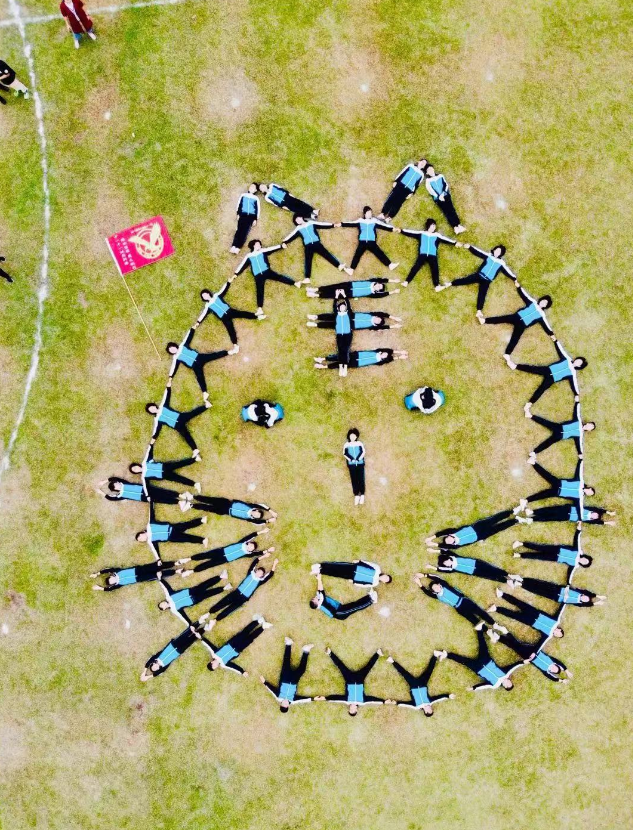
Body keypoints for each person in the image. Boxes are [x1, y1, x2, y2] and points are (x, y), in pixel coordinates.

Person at [505, 340, 586, 412]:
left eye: (579, 363)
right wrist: (556, 341)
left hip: (552, 379)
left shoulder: (572, 373)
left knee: (541, 389)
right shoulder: (567, 359)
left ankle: (529, 404)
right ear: (576, 359)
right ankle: (515, 366)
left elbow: (574, 384)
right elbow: (561, 350)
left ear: (579, 366)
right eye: (578, 360)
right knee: (533, 369)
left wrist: (576, 394)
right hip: (548, 370)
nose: (577, 362)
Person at [442, 244, 517, 312]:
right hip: (479, 275)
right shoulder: (489, 255)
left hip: (487, 281)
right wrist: (470, 247)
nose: (497, 252)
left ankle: (479, 310)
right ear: (494, 250)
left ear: (501, 254)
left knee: (482, 294)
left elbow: (508, 272)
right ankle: (449, 284)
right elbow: (478, 252)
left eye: (499, 252)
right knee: (466, 280)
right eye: (496, 250)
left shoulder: (501, 263)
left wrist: (514, 279)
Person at [234, 240, 303, 313]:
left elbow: (272, 249)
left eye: (260, 244)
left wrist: (281, 246)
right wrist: (236, 273)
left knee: (279, 277)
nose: (260, 246)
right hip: (258, 275)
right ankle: (260, 308)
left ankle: (295, 283)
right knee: (260, 290)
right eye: (258, 244)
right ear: (253, 245)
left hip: (267, 271)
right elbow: (242, 265)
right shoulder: (249, 256)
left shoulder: (263, 251)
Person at [477, 291, 554, 355]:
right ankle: (484, 321)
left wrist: (551, 334)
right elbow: (524, 295)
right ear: (541, 300)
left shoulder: (542, 315)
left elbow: (545, 325)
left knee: (515, 338)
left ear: (546, 306)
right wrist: (518, 287)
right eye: (543, 301)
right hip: (516, 317)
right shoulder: (532, 302)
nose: (543, 303)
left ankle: (507, 354)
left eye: (545, 303)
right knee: (502, 318)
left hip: (522, 325)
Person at [444, 628, 521, 690]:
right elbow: (514, 666)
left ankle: (447, 655)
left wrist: (474, 688)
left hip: (478, 668)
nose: (508, 681)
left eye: (508, 683)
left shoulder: (495, 685)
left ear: (505, 686)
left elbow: (484, 685)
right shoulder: (505, 674)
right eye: (509, 681)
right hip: (487, 661)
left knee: (463, 661)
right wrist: (523, 662)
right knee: (483, 646)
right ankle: (479, 630)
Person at [166, 329, 233, 400]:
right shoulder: (176, 358)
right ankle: (204, 392)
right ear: (171, 353)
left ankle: (228, 352)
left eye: (172, 348)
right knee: (200, 377)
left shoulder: (183, 345)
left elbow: (188, 337)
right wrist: (170, 378)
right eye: (171, 350)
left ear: (175, 346)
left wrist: (192, 329)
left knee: (213, 356)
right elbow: (174, 368)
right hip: (194, 366)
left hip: (199, 357)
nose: (173, 350)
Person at [146, 380, 211, 453]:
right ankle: (195, 450)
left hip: (180, 417)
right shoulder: (157, 419)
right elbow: (157, 430)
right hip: (176, 426)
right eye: (151, 410)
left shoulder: (163, 406)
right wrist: (152, 441)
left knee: (192, 413)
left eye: (152, 407)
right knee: (186, 436)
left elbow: (167, 396)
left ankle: (206, 406)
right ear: (151, 412)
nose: (152, 409)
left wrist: (168, 387)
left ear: (154, 406)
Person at [489, 627, 572, 683]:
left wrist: (561, 680)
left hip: (527, 657)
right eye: (555, 668)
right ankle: (505, 632)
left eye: (554, 670)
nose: (553, 668)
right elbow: (559, 662)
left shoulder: (546, 671)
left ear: (552, 672)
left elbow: (552, 678)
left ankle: (499, 637)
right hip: (533, 650)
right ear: (556, 665)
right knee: (516, 644)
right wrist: (567, 671)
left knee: (513, 646)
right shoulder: (552, 661)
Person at [208, 556, 278, 620]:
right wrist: (264, 556)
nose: (259, 574)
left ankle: (216, 619)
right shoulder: (250, 573)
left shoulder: (260, 581)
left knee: (230, 610)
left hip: (244, 598)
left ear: (262, 576)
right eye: (259, 572)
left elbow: (270, 575)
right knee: (223, 602)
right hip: (237, 592)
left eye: (261, 574)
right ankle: (210, 612)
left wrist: (274, 564)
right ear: (256, 570)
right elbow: (255, 561)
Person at [317, 648, 385, 715]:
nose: (350, 708)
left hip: (349, 679)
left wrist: (326, 698)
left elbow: (336, 698)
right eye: (352, 710)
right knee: (368, 667)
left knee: (341, 666)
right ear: (356, 709)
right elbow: (373, 700)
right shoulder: (362, 702)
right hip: (360, 679)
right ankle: (378, 653)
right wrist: (383, 701)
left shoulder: (347, 701)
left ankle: (330, 653)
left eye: (350, 709)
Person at [283, 216, 352, 280]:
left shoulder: (311, 223)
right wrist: (285, 242)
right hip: (308, 246)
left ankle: (339, 266)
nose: (298, 220)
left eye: (298, 218)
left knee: (327, 255)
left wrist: (332, 225)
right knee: (308, 260)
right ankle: (307, 278)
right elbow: (291, 235)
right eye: (296, 221)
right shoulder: (298, 228)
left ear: (301, 217)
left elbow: (322, 224)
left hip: (317, 244)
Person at [176, 529, 273, 574]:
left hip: (225, 559)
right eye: (251, 545)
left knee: (208, 565)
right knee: (205, 555)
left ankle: (191, 571)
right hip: (222, 551)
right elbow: (252, 535)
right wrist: (262, 531)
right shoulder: (242, 543)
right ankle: (188, 559)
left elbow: (258, 553)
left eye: (252, 548)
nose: (250, 548)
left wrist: (267, 551)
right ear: (248, 543)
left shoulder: (246, 554)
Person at [414, 574, 495, 627]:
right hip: (458, 608)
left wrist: (425, 575)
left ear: (439, 584)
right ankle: (488, 631)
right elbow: (428, 593)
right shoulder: (438, 596)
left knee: (479, 612)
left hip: (464, 601)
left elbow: (437, 578)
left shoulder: (445, 585)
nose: (436, 588)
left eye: (436, 586)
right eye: (434, 589)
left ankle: (493, 623)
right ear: (434, 591)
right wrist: (419, 584)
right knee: (474, 621)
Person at [386, 652, 454, 714]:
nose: (430, 708)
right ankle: (435, 655)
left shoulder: (416, 706)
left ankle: (392, 661)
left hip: (414, 686)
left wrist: (397, 703)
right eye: (431, 709)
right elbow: (439, 698)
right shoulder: (430, 702)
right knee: (429, 671)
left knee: (404, 674)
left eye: (429, 710)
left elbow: (406, 704)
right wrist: (448, 696)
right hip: (423, 684)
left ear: (425, 711)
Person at [199, 283, 264, 346]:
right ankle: (235, 345)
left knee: (242, 313)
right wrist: (198, 322)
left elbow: (223, 290)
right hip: (224, 318)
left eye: (205, 294)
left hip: (230, 311)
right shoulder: (207, 306)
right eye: (203, 296)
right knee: (230, 330)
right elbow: (203, 314)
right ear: (203, 299)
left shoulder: (216, 295)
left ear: (208, 293)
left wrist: (228, 282)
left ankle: (257, 316)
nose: (205, 296)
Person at [400, 219, 459, 288]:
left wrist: (455, 243)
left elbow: (446, 239)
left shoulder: (437, 235)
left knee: (435, 269)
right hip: (423, 254)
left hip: (432, 255)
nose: (434, 227)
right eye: (433, 225)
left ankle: (437, 286)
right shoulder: (422, 233)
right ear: (428, 225)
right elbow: (411, 232)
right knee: (416, 267)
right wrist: (401, 231)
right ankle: (406, 282)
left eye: (435, 226)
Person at [260, 639, 315, 711]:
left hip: (285, 678)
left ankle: (288, 644)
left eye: (283, 704)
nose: (285, 703)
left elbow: (272, 690)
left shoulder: (278, 697)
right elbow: (302, 700)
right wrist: (313, 699)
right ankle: (306, 650)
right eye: (286, 705)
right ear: (288, 706)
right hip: (294, 680)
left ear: (281, 704)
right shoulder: (293, 700)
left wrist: (265, 682)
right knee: (302, 669)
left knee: (286, 662)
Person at [140, 621, 205, 681]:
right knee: (191, 640)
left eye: (154, 667)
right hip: (179, 651)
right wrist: (148, 677)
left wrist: (144, 672)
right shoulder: (163, 666)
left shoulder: (157, 658)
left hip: (173, 644)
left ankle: (199, 622)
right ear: (158, 669)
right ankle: (203, 629)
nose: (156, 667)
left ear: (153, 663)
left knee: (187, 633)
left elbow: (149, 662)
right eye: (156, 669)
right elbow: (157, 673)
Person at [206, 616, 272, 674]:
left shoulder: (214, 654)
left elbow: (209, 645)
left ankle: (258, 621)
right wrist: (242, 672)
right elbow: (233, 667)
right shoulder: (223, 664)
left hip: (232, 643)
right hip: (238, 649)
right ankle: (263, 627)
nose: (216, 667)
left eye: (214, 666)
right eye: (215, 668)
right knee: (250, 639)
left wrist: (201, 638)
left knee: (244, 632)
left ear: (212, 662)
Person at [527, 402, 594, 457]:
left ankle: (534, 452)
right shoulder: (578, 421)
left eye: (591, 427)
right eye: (590, 425)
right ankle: (530, 416)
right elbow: (576, 412)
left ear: (589, 430)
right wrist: (577, 403)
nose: (589, 426)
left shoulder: (580, 435)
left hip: (560, 436)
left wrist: (580, 453)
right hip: (559, 427)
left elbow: (578, 444)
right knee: (546, 422)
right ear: (588, 423)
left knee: (548, 443)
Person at [426, 508, 517, 549]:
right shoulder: (457, 545)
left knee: (494, 519)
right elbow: (444, 546)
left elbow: (443, 532)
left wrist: (431, 538)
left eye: (448, 538)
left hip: (476, 527)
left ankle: (512, 511)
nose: (449, 540)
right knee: (498, 528)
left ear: (449, 535)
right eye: (448, 542)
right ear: (450, 544)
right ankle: (515, 521)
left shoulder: (454, 532)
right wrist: (434, 545)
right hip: (480, 536)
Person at [490, 591, 564, 638]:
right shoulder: (556, 621)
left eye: (557, 636)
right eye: (559, 634)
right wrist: (565, 600)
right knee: (519, 603)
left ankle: (496, 609)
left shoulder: (548, 635)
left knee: (513, 615)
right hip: (535, 613)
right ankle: (502, 594)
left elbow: (540, 645)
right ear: (559, 629)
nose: (556, 634)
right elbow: (560, 611)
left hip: (530, 622)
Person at [521, 458, 594, 505]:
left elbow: (577, 507)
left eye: (590, 495)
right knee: (546, 474)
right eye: (590, 492)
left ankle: (526, 500)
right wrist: (580, 461)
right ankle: (533, 462)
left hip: (558, 492)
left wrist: (580, 518)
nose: (589, 494)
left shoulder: (580, 497)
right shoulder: (581, 483)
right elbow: (578, 472)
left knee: (542, 495)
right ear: (590, 488)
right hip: (559, 483)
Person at [135, 511, 208, 557]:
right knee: (187, 538)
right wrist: (158, 559)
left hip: (172, 528)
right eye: (141, 540)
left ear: (142, 532)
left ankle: (201, 520)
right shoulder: (150, 541)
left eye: (140, 537)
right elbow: (155, 550)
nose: (142, 539)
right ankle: (202, 540)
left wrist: (151, 501)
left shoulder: (149, 525)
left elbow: (151, 513)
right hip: (172, 537)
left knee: (187, 525)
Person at [511, 529, 592, 569]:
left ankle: (519, 555)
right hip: (557, 550)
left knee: (538, 556)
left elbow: (570, 574)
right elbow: (576, 541)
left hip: (555, 558)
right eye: (586, 560)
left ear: (583, 565)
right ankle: (520, 543)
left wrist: (568, 584)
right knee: (539, 547)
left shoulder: (575, 565)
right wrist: (578, 531)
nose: (584, 561)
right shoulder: (578, 551)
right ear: (585, 557)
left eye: (585, 563)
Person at [129, 447, 201, 490]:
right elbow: (146, 487)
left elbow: (149, 453)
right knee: (179, 479)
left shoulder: (144, 463)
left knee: (179, 464)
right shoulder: (143, 476)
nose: (136, 469)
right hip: (163, 475)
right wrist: (148, 496)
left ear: (137, 465)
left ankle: (195, 459)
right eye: (134, 470)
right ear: (136, 472)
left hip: (164, 466)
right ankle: (195, 484)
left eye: (135, 467)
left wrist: (151, 444)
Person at [310, 573, 377, 619]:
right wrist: (319, 579)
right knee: (356, 607)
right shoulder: (322, 604)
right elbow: (332, 614)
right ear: (316, 603)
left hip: (340, 608)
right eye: (313, 599)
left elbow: (320, 590)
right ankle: (372, 600)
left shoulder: (320, 599)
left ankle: (369, 596)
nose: (313, 598)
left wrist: (318, 579)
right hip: (340, 613)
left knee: (355, 604)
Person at [503, 576, 604, 606]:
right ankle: (521, 579)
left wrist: (597, 603)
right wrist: (598, 596)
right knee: (539, 583)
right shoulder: (579, 592)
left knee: (537, 590)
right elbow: (590, 594)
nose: (585, 598)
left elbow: (589, 604)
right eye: (586, 597)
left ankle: (519, 584)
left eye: (585, 600)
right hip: (556, 589)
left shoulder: (579, 603)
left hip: (555, 596)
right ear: (585, 595)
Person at [423, 164, 465, 234]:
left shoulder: (440, 176)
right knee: (446, 211)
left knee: (452, 209)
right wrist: (438, 196)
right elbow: (430, 190)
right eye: (428, 170)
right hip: (438, 199)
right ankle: (454, 227)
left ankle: (458, 225)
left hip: (445, 195)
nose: (431, 170)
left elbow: (446, 185)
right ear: (427, 173)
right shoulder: (428, 180)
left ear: (433, 168)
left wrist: (443, 193)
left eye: (431, 168)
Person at [158, 573, 229, 613]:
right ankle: (224, 588)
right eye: (162, 605)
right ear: (164, 609)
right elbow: (183, 617)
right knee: (208, 594)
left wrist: (160, 579)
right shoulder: (174, 610)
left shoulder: (169, 596)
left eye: (162, 603)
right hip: (193, 600)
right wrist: (190, 625)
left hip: (190, 591)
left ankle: (221, 577)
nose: (163, 603)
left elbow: (166, 588)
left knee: (205, 585)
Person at [90, 559, 177, 590]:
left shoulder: (117, 571)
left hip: (137, 570)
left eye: (111, 579)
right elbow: (108, 589)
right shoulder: (118, 584)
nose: (113, 580)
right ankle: (176, 571)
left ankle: (174, 564)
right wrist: (99, 588)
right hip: (139, 578)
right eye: (112, 582)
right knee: (158, 575)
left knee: (156, 566)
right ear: (112, 584)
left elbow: (107, 569)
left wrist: (97, 574)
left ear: (111, 576)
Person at [430, 553, 511, 584]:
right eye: (445, 564)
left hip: (477, 563)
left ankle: (507, 574)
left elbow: (444, 550)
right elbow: (440, 569)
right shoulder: (452, 569)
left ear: (448, 558)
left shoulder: (454, 557)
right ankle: (506, 581)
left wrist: (433, 550)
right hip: (474, 572)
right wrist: (431, 567)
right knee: (490, 576)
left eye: (446, 561)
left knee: (492, 569)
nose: (447, 563)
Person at [187, 496, 277, 524]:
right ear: (256, 510)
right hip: (227, 503)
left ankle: (192, 505)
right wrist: (271, 511)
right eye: (257, 513)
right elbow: (262, 505)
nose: (255, 515)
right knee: (209, 500)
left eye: (256, 516)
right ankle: (194, 497)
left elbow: (258, 523)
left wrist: (268, 521)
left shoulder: (249, 518)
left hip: (226, 511)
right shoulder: (251, 506)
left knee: (209, 508)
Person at [97, 476, 184, 505]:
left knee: (163, 492)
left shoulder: (124, 483)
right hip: (143, 498)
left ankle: (179, 495)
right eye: (116, 485)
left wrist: (104, 481)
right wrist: (101, 492)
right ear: (115, 489)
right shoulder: (120, 495)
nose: (117, 483)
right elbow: (110, 498)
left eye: (116, 482)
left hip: (145, 489)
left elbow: (114, 478)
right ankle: (178, 502)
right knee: (161, 499)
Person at [312, 559, 391, 587]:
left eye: (386, 580)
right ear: (385, 574)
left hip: (353, 577)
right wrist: (359, 561)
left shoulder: (375, 583)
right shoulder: (377, 569)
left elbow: (364, 585)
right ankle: (321, 565)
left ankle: (320, 571)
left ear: (384, 582)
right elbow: (369, 564)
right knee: (337, 566)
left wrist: (354, 582)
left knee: (336, 574)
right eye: (386, 577)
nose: (384, 578)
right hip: (355, 567)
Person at [519, 504, 614, 526]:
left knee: (549, 517)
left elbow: (600, 522)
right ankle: (532, 512)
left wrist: (608, 523)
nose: (594, 515)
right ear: (595, 512)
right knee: (549, 510)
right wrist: (609, 513)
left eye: (595, 517)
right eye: (596, 514)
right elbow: (600, 510)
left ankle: (532, 519)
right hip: (567, 509)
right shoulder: (589, 509)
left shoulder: (588, 520)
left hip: (566, 517)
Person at [306, 278, 400, 300]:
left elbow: (382, 295)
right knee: (333, 287)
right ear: (378, 283)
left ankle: (316, 295)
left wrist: (393, 292)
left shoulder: (372, 293)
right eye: (379, 285)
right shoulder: (372, 281)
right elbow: (383, 279)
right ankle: (316, 289)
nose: (378, 286)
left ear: (378, 290)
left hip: (351, 294)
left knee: (333, 294)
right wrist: (393, 281)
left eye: (379, 288)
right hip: (350, 285)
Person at [230, 184, 260, 253]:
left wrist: (255, 219)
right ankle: (234, 245)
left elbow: (257, 209)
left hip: (250, 217)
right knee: (238, 231)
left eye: (253, 187)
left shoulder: (256, 198)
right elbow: (239, 204)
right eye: (251, 186)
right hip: (242, 215)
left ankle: (238, 247)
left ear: (255, 190)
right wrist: (238, 213)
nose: (251, 188)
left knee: (244, 233)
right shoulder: (243, 195)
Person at [314, 349, 408, 371]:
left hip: (357, 363)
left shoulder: (380, 361)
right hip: (356, 355)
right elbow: (391, 351)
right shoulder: (377, 351)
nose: (384, 354)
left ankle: (323, 366)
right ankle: (322, 359)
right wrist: (401, 351)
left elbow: (391, 359)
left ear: (384, 358)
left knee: (340, 365)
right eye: (384, 353)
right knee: (339, 356)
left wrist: (400, 357)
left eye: (385, 356)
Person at [307, 311, 402, 331]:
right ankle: (316, 317)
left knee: (333, 325)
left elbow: (383, 327)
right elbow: (383, 314)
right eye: (378, 318)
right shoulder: (372, 314)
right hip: (350, 316)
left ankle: (315, 325)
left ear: (377, 324)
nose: (377, 320)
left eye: (378, 322)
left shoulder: (372, 326)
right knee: (332, 316)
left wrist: (394, 326)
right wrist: (394, 318)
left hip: (351, 325)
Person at [342, 428, 366, 505]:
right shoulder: (346, 445)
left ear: (356, 436)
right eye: (351, 436)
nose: (352, 437)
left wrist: (358, 459)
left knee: (361, 479)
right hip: (351, 465)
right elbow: (345, 454)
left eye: (354, 436)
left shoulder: (359, 443)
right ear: (349, 436)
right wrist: (351, 459)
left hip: (360, 464)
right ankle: (356, 495)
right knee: (354, 480)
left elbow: (363, 452)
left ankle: (362, 495)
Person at [332, 298, 353, 375]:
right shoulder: (337, 314)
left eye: (344, 307)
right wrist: (336, 298)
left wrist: (345, 297)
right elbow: (334, 306)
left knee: (346, 350)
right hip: (339, 334)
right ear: (339, 308)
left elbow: (348, 305)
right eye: (341, 307)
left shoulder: (348, 314)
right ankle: (341, 367)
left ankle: (345, 367)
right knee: (340, 350)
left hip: (348, 334)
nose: (343, 308)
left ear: (346, 308)